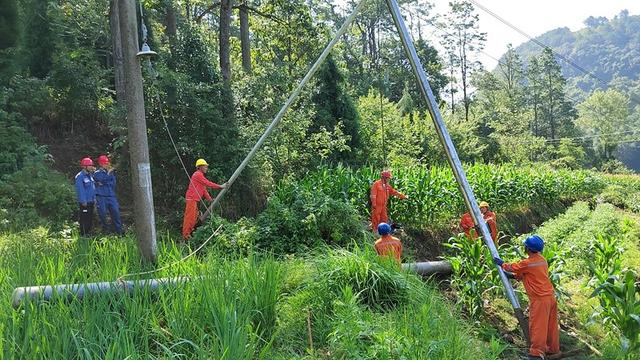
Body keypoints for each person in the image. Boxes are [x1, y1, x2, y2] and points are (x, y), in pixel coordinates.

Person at [493, 235, 560, 359]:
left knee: (538, 326)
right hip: (550, 297)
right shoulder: (542, 260)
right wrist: (514, 276)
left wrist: (501, 263)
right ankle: (552, 349)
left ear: (528, 248)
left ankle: (536, 353)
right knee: (551, 325)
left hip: (540, 299)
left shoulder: (528, 263)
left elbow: (512, 267)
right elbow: (528, 275)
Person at [182, 158, 226, 240]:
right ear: (200, 167)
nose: (206, 168)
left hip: (194, 200)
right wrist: (220, 186)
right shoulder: (197, 175)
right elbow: (208, 183)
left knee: (194, 218)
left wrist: (210, 199)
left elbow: (204, 190)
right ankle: (185, 237)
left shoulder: (200, 176)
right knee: (190, 219)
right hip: (191, 199)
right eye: (205, 166)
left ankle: (190, 236)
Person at [94, 155, 123, 235]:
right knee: (102, 214)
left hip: (111, 195)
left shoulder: (111, 173)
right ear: (100, 164)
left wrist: (104, 182)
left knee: (116, 213)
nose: (107, 165)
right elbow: (100, 179)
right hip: (101, 196)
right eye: (105, 163)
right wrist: (108, 176)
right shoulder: (97, 173)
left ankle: (119, 232)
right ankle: (106, 231)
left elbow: (113, 183)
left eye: (107, 163)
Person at [75, 157, 96, 236]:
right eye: (89, 165)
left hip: (91, 201)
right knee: (84, 218)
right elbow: (81, 190)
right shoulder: (80, 176)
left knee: (90, 218)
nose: (91, 167)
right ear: (84, 166)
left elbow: (92, 188)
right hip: (85, 202)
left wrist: (94, 199)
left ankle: (88, 232)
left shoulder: (90, 175)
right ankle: (83, 233)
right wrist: (83, 201)